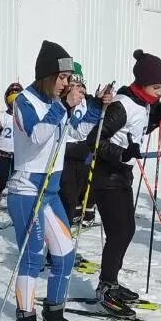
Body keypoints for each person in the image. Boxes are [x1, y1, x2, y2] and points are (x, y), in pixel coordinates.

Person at [7, 41, 105, 321]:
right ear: (48, 75)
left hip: (50, 190)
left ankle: (54, 313)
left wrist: (96, 106)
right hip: (26, 190)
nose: (67, 84)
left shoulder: (58, 103)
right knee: (33, 255)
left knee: (64, 253)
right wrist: (62, 106)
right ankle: (26, 320)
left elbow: (78, 131)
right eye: (63, 78)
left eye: (70, 80)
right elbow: (36, 136)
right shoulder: (24, 101)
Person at [91, 49, 161, 316]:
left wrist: (157, 120)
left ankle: (111, 281)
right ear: (142, 83)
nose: (159, 91)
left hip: (121, 174)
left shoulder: (143, 104)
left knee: (126, 229)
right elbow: (97, 140)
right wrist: (121, 154)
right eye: (156, 86)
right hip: (105, 175)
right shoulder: (122, 104)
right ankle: (106, 287)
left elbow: (134, 131)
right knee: (120, 231)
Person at [59, 64, 96, 228]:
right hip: (64, 154)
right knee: (67, 197)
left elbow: (82, 132)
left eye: (79, 86)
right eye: (72, 85)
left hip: (82, 153)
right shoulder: (60, 103)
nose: (75, 90)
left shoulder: (86, 102)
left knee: (78, 193)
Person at [0, 83, 21, 212]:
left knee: (16, 178)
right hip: (5, 153)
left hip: (19, 154)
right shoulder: (3, 116)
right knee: (2, 177)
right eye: (11, 101)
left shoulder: (22, 117)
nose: (13, 104)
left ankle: (15, 200)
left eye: (16, 100)